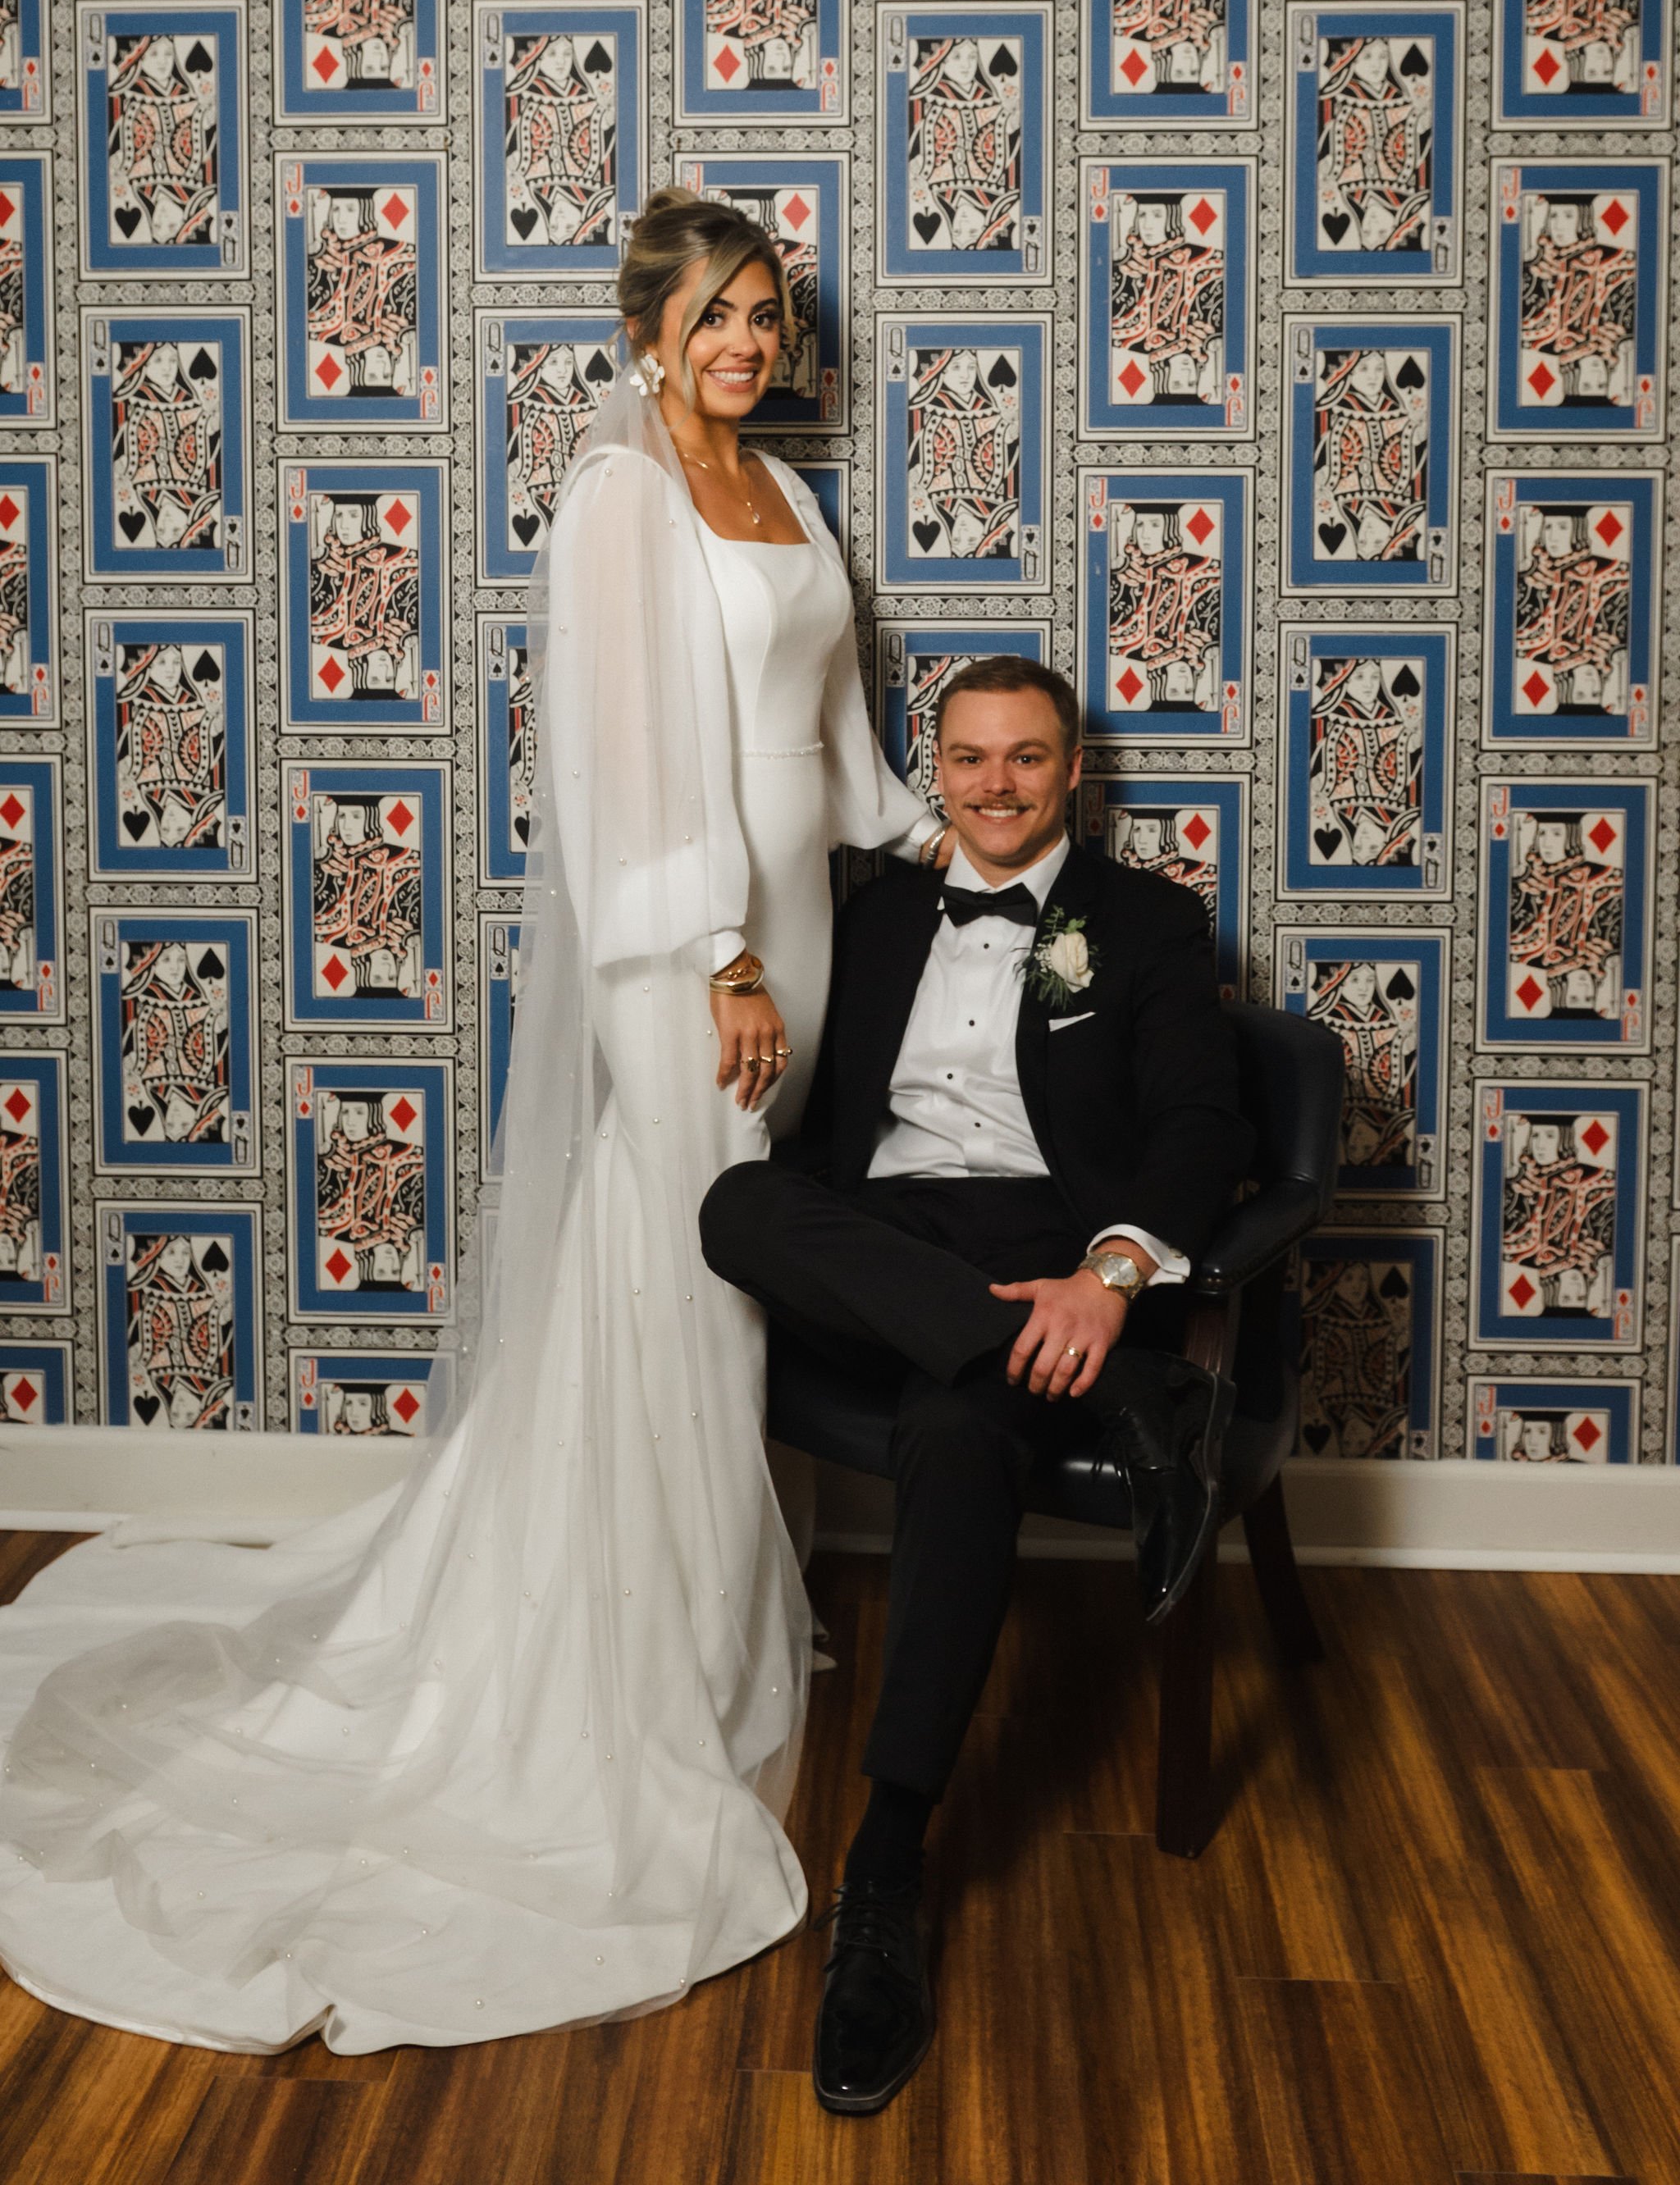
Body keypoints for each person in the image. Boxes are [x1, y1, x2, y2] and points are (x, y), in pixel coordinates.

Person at [0, 188, 946, 2052]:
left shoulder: (789, 497)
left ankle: (700, 1600)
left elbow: (828, 740)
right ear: (647, 331)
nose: (750, 340)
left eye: (766, 311)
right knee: (690, 1266)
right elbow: (614, 760)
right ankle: (638, 1657)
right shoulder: (618, 501)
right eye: (717, 314)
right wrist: (710, 954)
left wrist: (960, 846)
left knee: (738, 1280)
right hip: (693, 961)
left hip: (805, 941)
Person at [701, 655, 1253, 2115]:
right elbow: (817, 1130)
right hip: (897, 1251)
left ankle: (884, 1879)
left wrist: (1113, 1276)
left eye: (1026, 760)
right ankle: (1135, 1405)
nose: (996, 786)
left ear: (1073, 773)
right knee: (735, 1209)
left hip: (1048, 1254)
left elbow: (1203, 1127)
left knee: (960, 1438)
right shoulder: (876, 916)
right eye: (968, 760)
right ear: (932, 772)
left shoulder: (1148, 923)